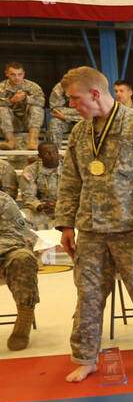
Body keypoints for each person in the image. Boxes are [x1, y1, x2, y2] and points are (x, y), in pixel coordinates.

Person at [54, 66, 133, 382]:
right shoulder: (80, 132)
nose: (73, 105)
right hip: (92, 232)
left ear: (95, 93)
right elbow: (70, 180)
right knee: (88, 297)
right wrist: (66, 224)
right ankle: (85, 358)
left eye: (75, 98)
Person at [0, 190, 39, 350]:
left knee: (23, 258)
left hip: (5, 249)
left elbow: (15, 235)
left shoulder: (3, 201)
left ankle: (24, 317)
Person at [1, 62, 44, 149]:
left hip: (28, 121)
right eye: (13, 74)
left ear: (23, 74)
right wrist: (11, 100)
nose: (17, 78)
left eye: (19, 74)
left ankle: (32, 141)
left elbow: (42, 102)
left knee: (36, 108)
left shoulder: (32, 86)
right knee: (2, 109)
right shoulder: (2, 87)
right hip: (10, 123)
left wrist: (26, 98)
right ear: (6, 74)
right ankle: (10, 142)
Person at [19, 141, 60, 228]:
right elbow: (28, 196)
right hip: (41, 210)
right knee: (20, 218)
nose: (53, 156)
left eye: (55, 152)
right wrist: (40, 206)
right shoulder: (30, 170)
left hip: (66, 209)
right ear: (40, 156)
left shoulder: (69, 168)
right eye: (47, 154)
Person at [47, 81, 82, 150]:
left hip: (83, 121)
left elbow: (88, 112)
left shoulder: (87, 87)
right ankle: (56, 154)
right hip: (67, 122)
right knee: (54, 123)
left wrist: (65, 117)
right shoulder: (60, 87)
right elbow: (55, 110)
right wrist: (77, 112)